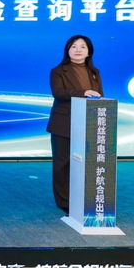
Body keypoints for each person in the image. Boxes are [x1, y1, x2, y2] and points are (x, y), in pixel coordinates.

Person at [46, 35, 103, 215]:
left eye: (82, 47)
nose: (78, 50)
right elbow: (58, 93)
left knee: (85, 162)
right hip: (63, 123)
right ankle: (64, 201)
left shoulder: (94, 72)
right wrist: (83, 92)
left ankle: (83, 197)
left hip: (88, 123)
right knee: (63, 162)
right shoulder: (58, 71)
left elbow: (100, 95)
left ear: (89, 52)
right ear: (68, 50)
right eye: (74, 46)